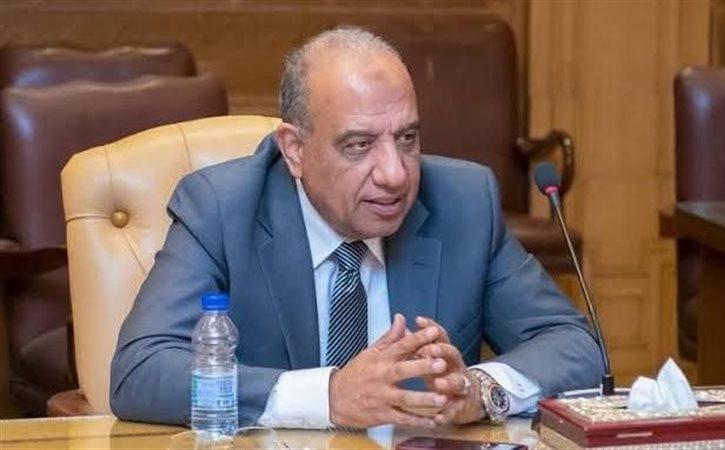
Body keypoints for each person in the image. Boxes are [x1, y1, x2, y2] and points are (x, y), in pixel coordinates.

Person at [110, 26, 603, 430]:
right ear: (294, 150)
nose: (394, 174)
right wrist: (329, 396)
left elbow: (577, 347)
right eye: (359, 145)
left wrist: (481, 390)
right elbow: (141, 371)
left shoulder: (463, 202)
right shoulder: (222, 208)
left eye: (407, 138)